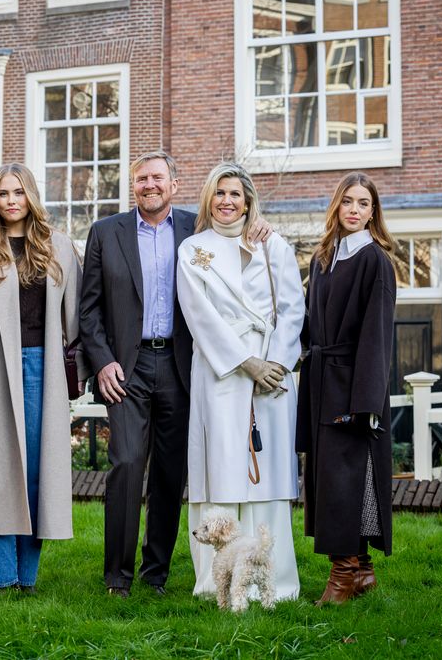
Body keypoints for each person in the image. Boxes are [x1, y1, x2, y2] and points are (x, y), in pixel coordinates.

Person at [79, 151, 272, 597]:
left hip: (183, 365)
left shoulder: (196, 228)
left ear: (174, 183)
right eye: (142, 178)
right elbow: (89, 310)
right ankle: (117, 576)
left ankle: (156, 574)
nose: (150, 184)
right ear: (134, 186)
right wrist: (103, 360)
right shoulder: (106, 233)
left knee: (170, 473)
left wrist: (260, 226)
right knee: (126, 464)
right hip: (124, 367)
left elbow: (238, 231)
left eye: (158, 177)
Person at [0, 163, 85, 592]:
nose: (11, 201)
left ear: (31, 197)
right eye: (3, 194)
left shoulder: (58, 246)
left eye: (18, 193)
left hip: (43, 368)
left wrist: (76, 372)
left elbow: (77, 315)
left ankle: (27, 576)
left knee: (37, 471)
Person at [177, 162, 304, 604]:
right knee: (222, 470)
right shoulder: (193, 250)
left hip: (271, 374)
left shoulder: (275, 247)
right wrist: (244, 361)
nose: (227, 201)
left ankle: (278, 582)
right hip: (220, 372)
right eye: (220, 193)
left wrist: (277, 364)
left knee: (266, 475)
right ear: (208, 198)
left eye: (236, 194)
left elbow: (292, 310)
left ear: (249, 201)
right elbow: (199, 315)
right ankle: (218, 582)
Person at [296, 171, 397, 605]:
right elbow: (304, 318)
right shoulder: (324, 256)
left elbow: (377, 335)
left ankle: (343, 574)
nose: (355, 210)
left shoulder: (375, 260)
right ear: (336, 206)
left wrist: (367, 401)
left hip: (353, 385)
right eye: (348, 202)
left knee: (347, 481)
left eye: (364, 204)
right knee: (329, 479)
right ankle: (363, 571)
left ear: (373, 213)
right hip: (320, 379)